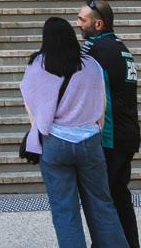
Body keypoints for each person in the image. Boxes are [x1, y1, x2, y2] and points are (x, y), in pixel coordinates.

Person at [20, 15, 126, 248]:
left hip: (56, 141)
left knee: (64, 210)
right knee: (102, 204)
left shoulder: (38, 64)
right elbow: (102, 104)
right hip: (90, 139)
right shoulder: (91, 64)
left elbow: (30, 102)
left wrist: (39, 130)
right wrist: (96, 131)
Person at [78, 1, 140, 248]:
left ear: (98, 24)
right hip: (129, 134)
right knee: (120, 196)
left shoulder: (94, 47)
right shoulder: (121, 46)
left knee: (102, 200)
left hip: (110, 137)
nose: (78, 24)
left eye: (82, 20)